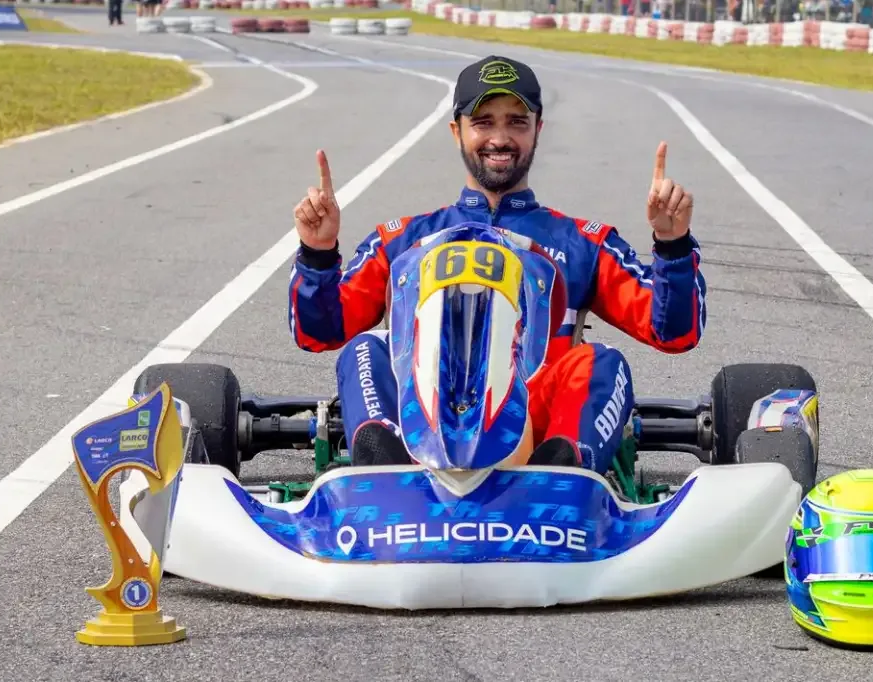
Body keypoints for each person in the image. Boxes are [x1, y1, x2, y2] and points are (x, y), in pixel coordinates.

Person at [289, 55, 706, 474]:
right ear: (457, 131)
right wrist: (318, 252)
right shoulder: (403, 240)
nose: (500, 138)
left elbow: (672, 332)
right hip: (421, 416)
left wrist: (671, 244)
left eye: (517, 122)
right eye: (484, 122)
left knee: (602, 360)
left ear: (538, 129)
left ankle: (566, 469)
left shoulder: (583, 243)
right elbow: (320, 332)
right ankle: (383, 467)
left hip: (535, 427)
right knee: (365, 349)